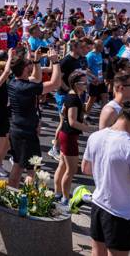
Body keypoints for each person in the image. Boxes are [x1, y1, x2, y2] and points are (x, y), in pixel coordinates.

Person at [82, 100, 130, 256]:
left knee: (97, 252)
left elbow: (86, 169)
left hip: (99, 204)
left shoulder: (96, 136)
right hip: (122, 213)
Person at [7, 48, 61, 188]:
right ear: (25, 69)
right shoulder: (26, 88)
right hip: (26, 132)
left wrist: (36, 61)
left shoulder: (13, 82)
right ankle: (26, 199)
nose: (31, 65)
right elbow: (55, 84)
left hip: (16, 129)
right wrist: (55, 62)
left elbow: (36, 79)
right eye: (29, 64)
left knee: (18, 164)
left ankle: (11, 192)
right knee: (32, 169)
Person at [54, 70, 95, 207]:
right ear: (76, 84)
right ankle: (65, 198)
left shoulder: (72, 96)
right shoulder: (73, 98)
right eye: (84, 82)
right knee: (70, 171)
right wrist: (92, 130)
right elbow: (72, 122)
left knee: (62, 166)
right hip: (69, 137)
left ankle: (58, 194)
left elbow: (65, 114)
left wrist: (82, 120)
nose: (86, 84)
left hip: (66, 135)